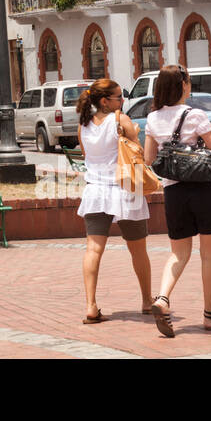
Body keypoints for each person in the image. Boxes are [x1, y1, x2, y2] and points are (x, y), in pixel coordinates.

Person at [143, 64, 211, 337]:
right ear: (183, 85)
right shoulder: (196, 115)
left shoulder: (153, 118)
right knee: (209, 256)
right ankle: (208, 316)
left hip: (174, 193)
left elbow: (148, 160)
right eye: (189, 82)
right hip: (204, 191)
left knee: (178, 254)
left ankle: (162, 299)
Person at [75, 78, 153, 323]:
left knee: (93, 249)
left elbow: (88, 155)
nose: (123, 101)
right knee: (138, 250)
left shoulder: (83, 125)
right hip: (125, 191)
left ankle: (90, 305)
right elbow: (139, 155)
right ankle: (146, 301)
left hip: (96, 191)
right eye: (119, 97)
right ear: (104, 101)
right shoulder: (121, 120)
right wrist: (135, 135)